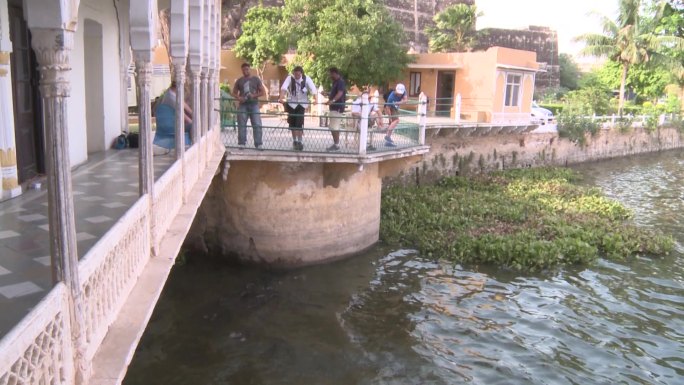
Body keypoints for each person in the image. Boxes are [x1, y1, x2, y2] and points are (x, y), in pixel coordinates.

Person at [280, 66, 317, 151]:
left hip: (302, 104)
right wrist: (281, 97)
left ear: (301, 73)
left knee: (299, 123)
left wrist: (315, 99)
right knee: (292, 123)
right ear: (293, 73)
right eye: (295, 74)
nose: (297, 76)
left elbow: (313, 89)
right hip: (292, 103)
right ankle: (295, 141)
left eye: (298, 74)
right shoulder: (290, 78)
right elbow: (284, 88)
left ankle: (300, 141)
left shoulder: (306, 78)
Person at [231, 63, 265, 150]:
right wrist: (239, 97)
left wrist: (254, 95)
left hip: (254, 104)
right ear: (242, 70)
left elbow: (262, 92)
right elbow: (234, 92)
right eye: (243, 70)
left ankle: (258, 144)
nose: (245, 71)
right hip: (243, 104)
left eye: (247, 69)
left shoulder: (256, 79)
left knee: (257, 124)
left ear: (250, 69)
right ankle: (242, 143)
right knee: (241, 124)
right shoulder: (239, 81)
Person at [153, 81, 192, 153]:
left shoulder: (169, 94)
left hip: (163, 127)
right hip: (172, 127)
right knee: (193, 126)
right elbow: (184, 118)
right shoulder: (173, 98)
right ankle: (193, 150)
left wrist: (195, 116)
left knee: (193, 123)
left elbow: (186, 107)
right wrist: (194, 122)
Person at [322, 67, 346, 152]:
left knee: (334, 127)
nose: (330, 75)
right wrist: (328, 95)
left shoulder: (340, 82)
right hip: (333, 107)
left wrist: (332, 101)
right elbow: (334, 93)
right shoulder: (335, 83)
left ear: (335, 73)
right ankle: (336, 144)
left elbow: (340, 93)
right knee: (333, 126)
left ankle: (336, 145)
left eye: (331, 73)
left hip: (337, 107)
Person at [383, 83, 408, 147]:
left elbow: (405, 100)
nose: (400, 94)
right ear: (396, 90)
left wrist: (398, 102)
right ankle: (387, 136)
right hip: (391, 108)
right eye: (398, 93)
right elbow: (387, 108)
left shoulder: (403, 91)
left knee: (394, 122)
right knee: (396, 121)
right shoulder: (391, 97)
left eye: (401, 93)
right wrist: (390, 117)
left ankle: (388, 139)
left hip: (396, 107)